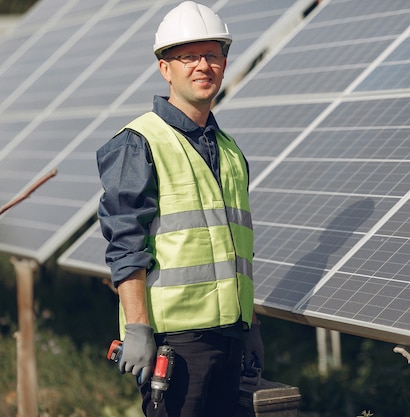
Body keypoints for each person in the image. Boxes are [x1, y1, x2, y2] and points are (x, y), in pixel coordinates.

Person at [96, 2, 264, 416]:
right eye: (189, 56)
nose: (203, 66)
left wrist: (251, 324)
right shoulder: (139, 142)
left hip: (229, 338)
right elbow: (125, 245)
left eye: (212, 55)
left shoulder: (229, 150)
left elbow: (235, 249)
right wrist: (137, 328)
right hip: (177, 343)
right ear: (165, 68)